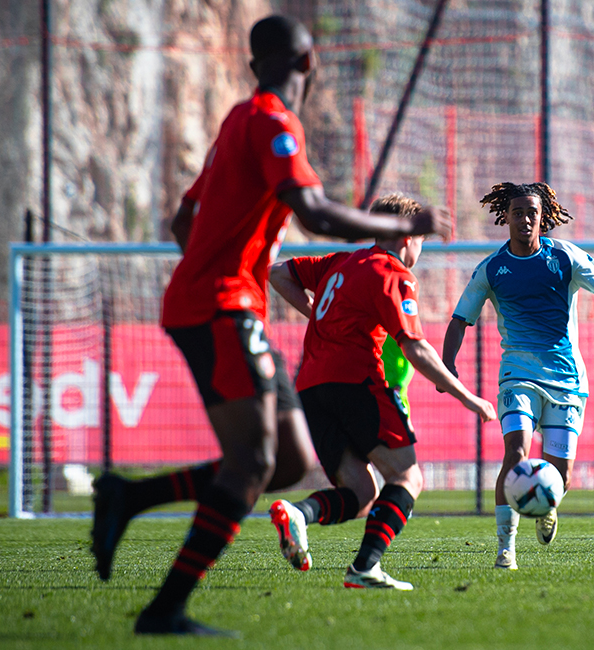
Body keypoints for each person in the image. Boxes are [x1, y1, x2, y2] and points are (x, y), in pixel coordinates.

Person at [91, 15, 453, 636]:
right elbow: (313, 213)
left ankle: (131, 499)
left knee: (283, 461)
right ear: (309, 64)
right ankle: (164, 606)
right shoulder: (274, 123)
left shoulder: (237, 119)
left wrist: (219, 266)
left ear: (254, 64)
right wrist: (403, 226)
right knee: (255, 460)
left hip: (222, 303)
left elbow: (184, 221)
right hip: (223, 306)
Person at [266, 193, 496, 590]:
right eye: (421, 240)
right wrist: (467, 396)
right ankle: (364, 567)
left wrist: (319, 314)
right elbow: (415, 348)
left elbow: (277, 273)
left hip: (311, 389)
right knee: (407, 476)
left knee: (360, 493)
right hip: (356, 383)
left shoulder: (341, 262)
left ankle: (298, 514)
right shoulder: (392, 273)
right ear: (407, 238)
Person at [441, 182, 594, 570]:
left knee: (561, 475)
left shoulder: (565, 257)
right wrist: (447, 365)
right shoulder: (492, 269)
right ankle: (506, 548)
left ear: (543, 217)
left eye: (532, 213)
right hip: (517, 375)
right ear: (506, 217)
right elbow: (459, 320)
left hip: (566, 379)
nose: (525, 219)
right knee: (515, 453)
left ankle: (547, 502)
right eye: (518, 213)